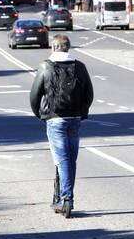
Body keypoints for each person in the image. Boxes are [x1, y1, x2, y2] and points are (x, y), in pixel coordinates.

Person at [30, 34, 94, 216]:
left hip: (55, 118)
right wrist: (81, 112)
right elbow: (89, 94)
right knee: (70, 159)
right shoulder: (80, 66)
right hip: (75, 119)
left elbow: (35, 95)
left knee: (62, 160)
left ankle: (66, 199)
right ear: (67, 47)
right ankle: (61, 197)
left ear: (53, 47)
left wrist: (41, 114)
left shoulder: (45, 66)